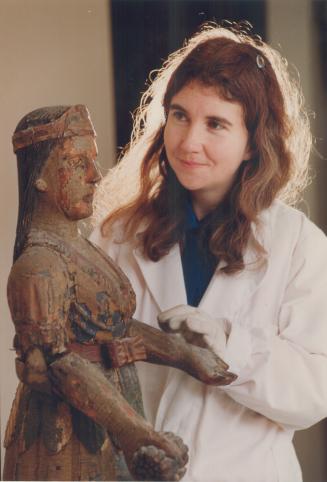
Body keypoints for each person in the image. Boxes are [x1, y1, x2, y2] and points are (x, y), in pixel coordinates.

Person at [91, 22, 327, 482]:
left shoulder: (299, 245)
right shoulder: (117, 235)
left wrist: (229, 344)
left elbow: (314, 392)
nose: (188, 141)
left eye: (215, 123)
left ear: (252, 144)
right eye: (179, 116)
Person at [4, 104, 235, 481]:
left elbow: (116, 327)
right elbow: (60, 365)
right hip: (65, 443)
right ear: (39, 178)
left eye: (92, 162)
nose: (95, 176)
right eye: (78, 163)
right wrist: (136, 432)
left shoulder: (81, 249)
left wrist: (185, 354)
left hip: (111, 425)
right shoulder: (39, 266)